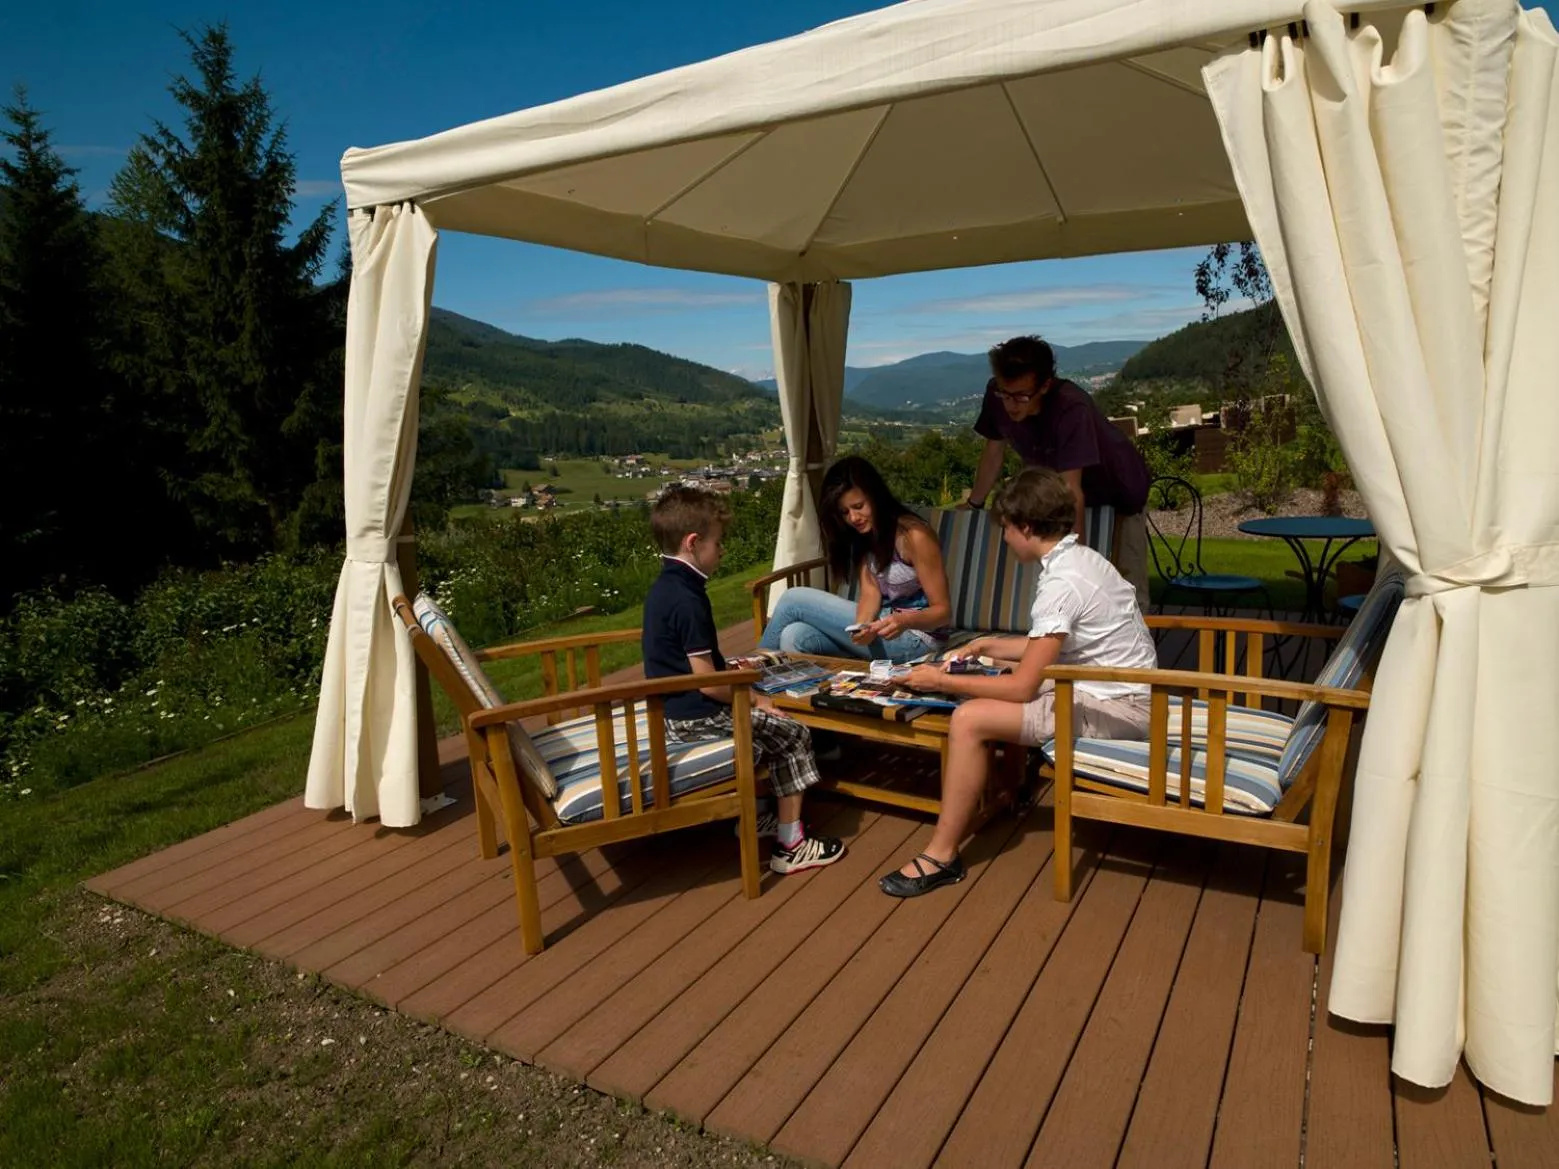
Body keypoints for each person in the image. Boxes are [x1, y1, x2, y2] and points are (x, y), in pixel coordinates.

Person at [879, 467, 1156, 897]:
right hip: (1109, 688)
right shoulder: (1080, 559)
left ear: (1026, 527)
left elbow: (1024, 688)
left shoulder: (1062, 584)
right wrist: (984, 645)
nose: (1004, 538)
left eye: (1006, 528)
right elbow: (1047, 644)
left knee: (969, 718)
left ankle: (941, 856)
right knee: (992, 670)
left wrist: (941, 681)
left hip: (1119, 709)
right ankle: (1009, 789)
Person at [643, 485, 846, 874]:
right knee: (793, 734)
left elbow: (689, 662)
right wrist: (755, 698)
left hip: (675, 711)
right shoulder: (688, 600)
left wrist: (732, 673)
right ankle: (791, 845)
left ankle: (758, 816)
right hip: (697, 717)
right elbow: (707, 683)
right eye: (717, 542)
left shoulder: (666, 587)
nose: (722, 551)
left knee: (768, 730)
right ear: (692, 543)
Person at [967, 335, 1152, 608]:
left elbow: (1070, 490)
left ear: (1045, 385)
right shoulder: (998, 394)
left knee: (1123, 586)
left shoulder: (1070, 407)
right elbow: (994, 450)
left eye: (1021, 396)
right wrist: (974, 503)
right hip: (1062, 493)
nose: (1010, 405)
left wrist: (1075, 568)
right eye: (1005, 394)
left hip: (1119, 492)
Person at [759, 456, 952, 662]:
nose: (853, 518)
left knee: (793, 599)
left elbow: (943, 612)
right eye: (845, 512)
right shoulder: (866, 535)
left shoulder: (914, 536)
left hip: (916, 639)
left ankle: (752, 670)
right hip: (882, 631)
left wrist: (904, 621)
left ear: (876, 496)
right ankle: (808, 684)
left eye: (858, 506)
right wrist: (861, 627)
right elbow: (870, 593)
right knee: (794, 635)